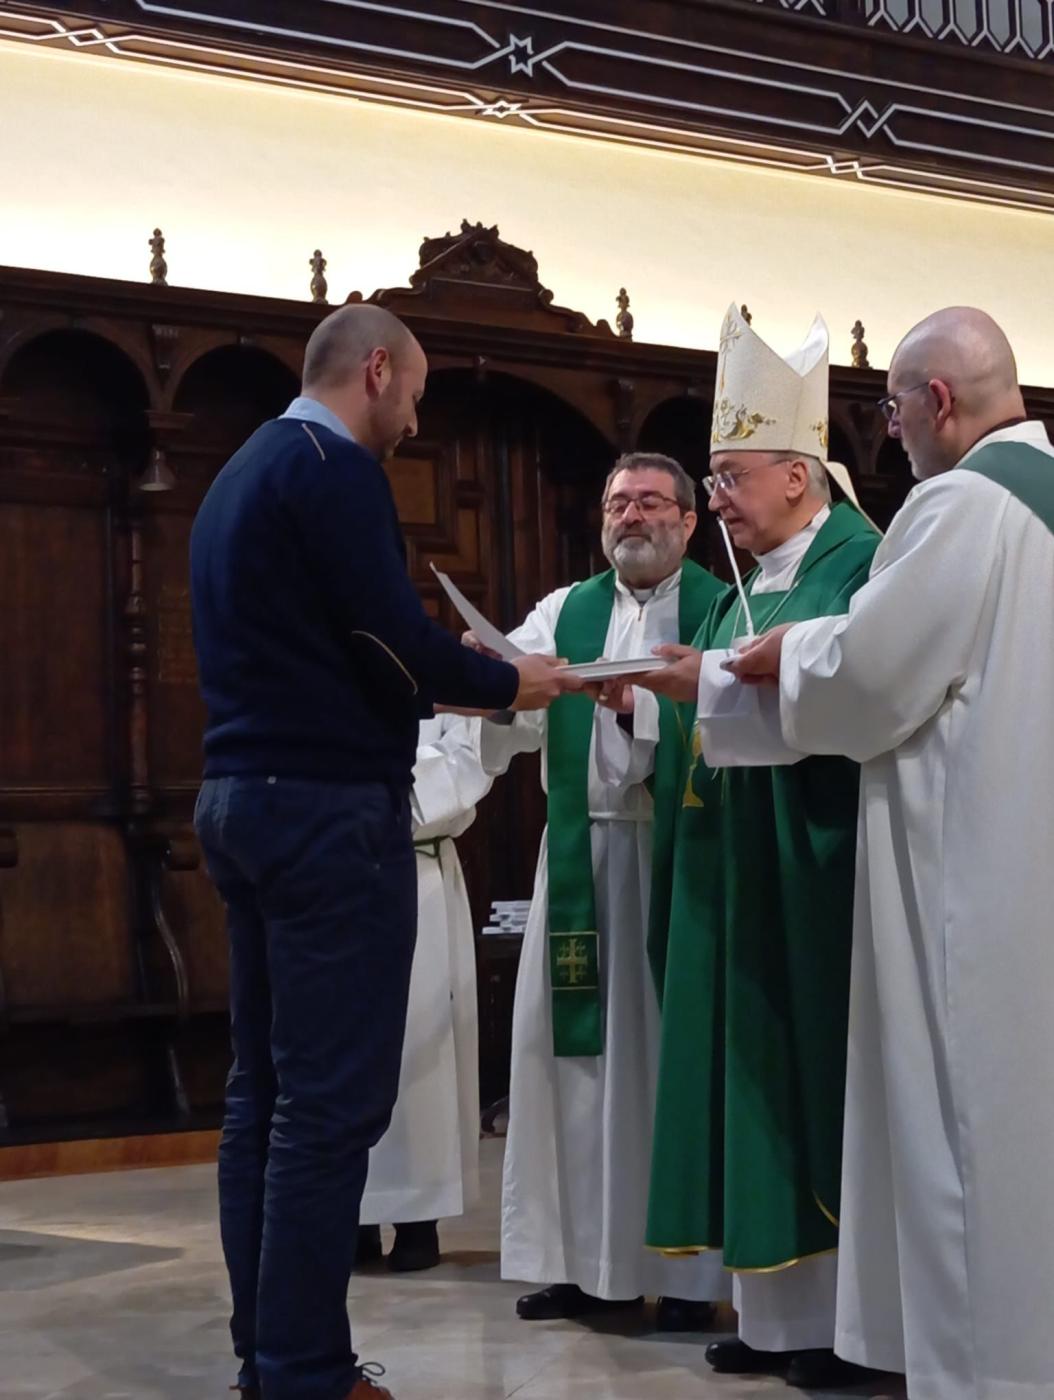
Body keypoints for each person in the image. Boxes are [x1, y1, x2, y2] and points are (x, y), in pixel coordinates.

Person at [190, 304, 579, 1400]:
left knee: (260, 1098)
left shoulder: (240, 473)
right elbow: (383, 641)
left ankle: (266, 1353)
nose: (413, 416)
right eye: (412, 392)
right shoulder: (332, 466)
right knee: (325, 1107)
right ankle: (306, 1369)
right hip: (322, 809)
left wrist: (425, 659)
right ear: (374, 371)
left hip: (240, 795)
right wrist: (511, 679)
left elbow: (335, 639)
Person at [726, 307, 1054, 1400]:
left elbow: (873, 678)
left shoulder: (964, 504)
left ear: (938, 402)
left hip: (968, 873)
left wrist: (783, 650)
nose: (891, 433)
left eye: (894, 409)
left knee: (966, 1128)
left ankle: (979, 1370)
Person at [597, 307, 880, 1390]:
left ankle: (838, 1323)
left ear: (801, 477)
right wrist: (672, 694)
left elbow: (846, 691)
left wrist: (704, 680)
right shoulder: (752, 578)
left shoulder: (857, 561)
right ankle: (772, 1316)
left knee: (806, 1082)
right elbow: (732, 704)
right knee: (747, 1083)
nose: (714, 497)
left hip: (812, 871)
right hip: (737, 869)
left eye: (729, 475)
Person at [467, 452, 728, 1327]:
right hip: (579, 860)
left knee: (668, 1065)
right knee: (566, 1065)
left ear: (689, 522)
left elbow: (739, 720)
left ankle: (690, 1282)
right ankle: (581, 1265)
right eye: (618, 502)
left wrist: (635, 710)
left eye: (652, 502)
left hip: (676, 860)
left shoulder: (721, 606)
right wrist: (494, 682)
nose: (631, 517)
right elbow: (514, 711)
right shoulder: (566, 611)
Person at [356, 714, 492, 1273]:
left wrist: (380, 783)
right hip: (348, 873)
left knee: (424, 1054)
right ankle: (353, 1217)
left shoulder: (445, 698)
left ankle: (420, 1220)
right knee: (355, 1051)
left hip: (422, 878)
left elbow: (469, 766)